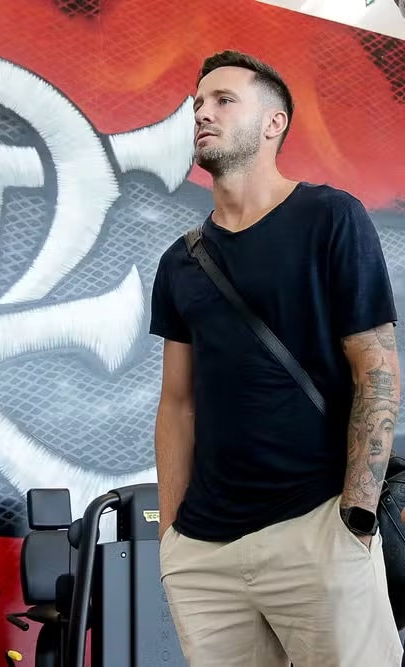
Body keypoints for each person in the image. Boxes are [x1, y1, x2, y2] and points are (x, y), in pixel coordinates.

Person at [150, 49, 403, 666]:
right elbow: (177, 403)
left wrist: (356, 516)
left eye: (223, 100)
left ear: (273, 123)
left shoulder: (330, 217)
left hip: (317, 527)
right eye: (198, 103)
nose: (202, 113)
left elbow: (376, 367)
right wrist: (172, 540)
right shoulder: (180, 261)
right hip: (204, 553)